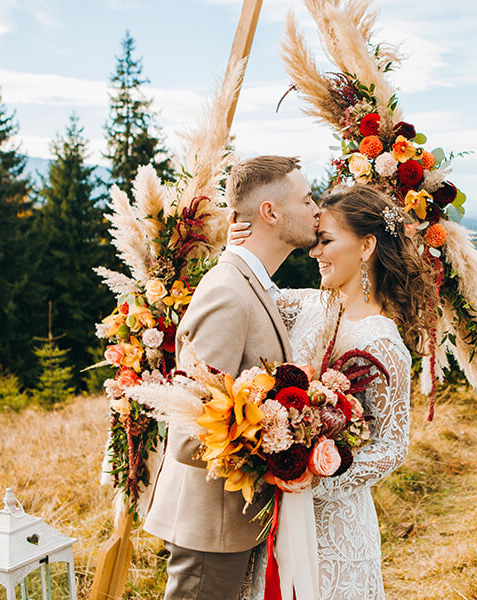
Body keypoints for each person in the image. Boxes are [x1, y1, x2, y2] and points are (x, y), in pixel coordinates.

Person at [230, 184, 437, 599]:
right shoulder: (309, 305)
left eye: (325, 241)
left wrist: (316, 473)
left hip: (336, 533)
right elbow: (247, 297)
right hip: (277, 520)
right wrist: (236, 252)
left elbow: (392, 448)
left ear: (366, 247)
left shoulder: (382, 342)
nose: (314, 252)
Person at [143, 155, 321, 600]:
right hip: (210, 529)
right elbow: (190, 432)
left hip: (232, 525)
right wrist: (282, 442)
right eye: (306, 199)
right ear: (270, 213)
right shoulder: (228, 292)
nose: (316, 209)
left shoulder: (252, 283)